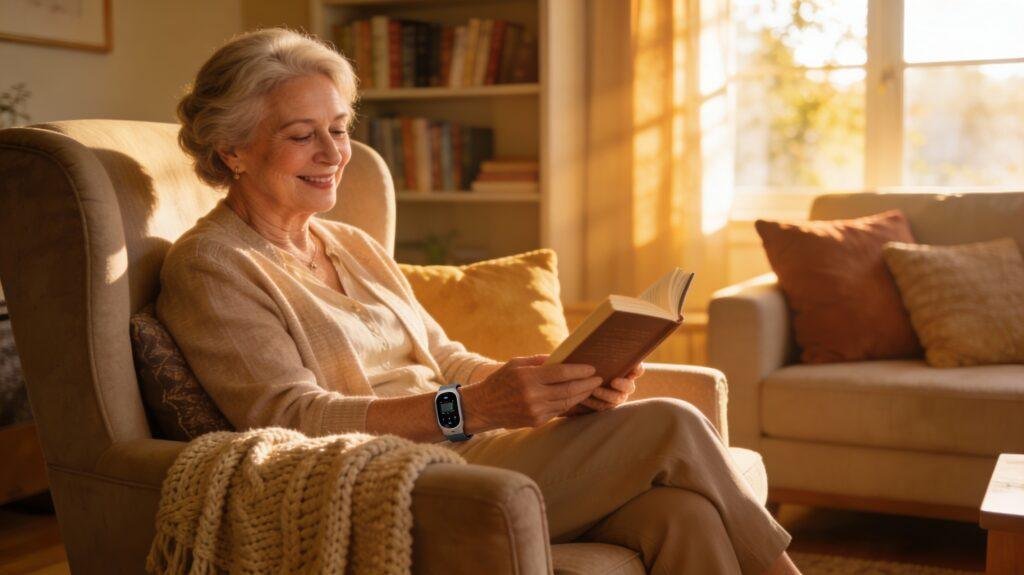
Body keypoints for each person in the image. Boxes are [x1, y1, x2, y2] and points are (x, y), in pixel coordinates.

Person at [159, 28, 798, 575]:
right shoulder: (214, 265)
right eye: (303, 135)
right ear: (232, 149)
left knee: (679, 515)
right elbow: (291, 420)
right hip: (387, 478)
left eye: (339, 128)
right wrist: (474, 407)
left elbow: (445, 358)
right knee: (673, 421)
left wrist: (552, 385)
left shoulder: (350, 243)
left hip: (463, 446)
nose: (333, 154)